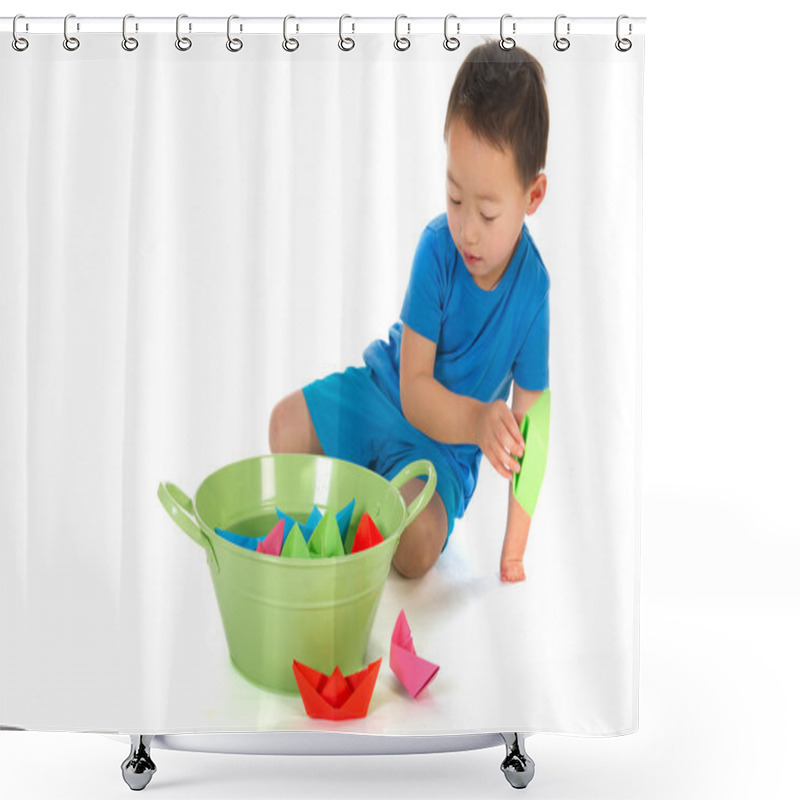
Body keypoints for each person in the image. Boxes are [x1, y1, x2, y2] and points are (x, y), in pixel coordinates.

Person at [269, 41, 550, 583]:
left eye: (488, 213)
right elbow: (414, 387)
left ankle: (364, 503)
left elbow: (532, 432)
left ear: (532, 195)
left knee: (417, 550)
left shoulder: (534, 292)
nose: (467, 228)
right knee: (284, 426)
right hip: (385, 392)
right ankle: (341, 513)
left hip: (441, 454)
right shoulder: (438, 248)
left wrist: (513, 551)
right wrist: (477, 418)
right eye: (454, 197)